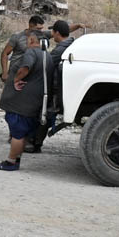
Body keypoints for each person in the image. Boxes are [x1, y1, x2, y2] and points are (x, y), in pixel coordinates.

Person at [25, 19, 87, 153]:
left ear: (57, 33)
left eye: (53, 31)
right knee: (46, 114)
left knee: (44, 114)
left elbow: (46, 64)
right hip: (62, 88)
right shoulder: (71, 43)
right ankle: (34, 142)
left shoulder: (60, 50)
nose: (52, 34)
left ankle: (33, 143)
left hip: (56, 89)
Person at [0, 31, 46, 172]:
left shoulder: (31, 53)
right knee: (22, 134)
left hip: (22, 104)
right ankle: (16, 159)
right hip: (34, 102)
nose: (26, 42)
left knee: (17, 133)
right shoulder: (46, 55)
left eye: (28, 39)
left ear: (32, 39)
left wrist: (16, 80)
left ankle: (10, 162)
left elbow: (25, 68)